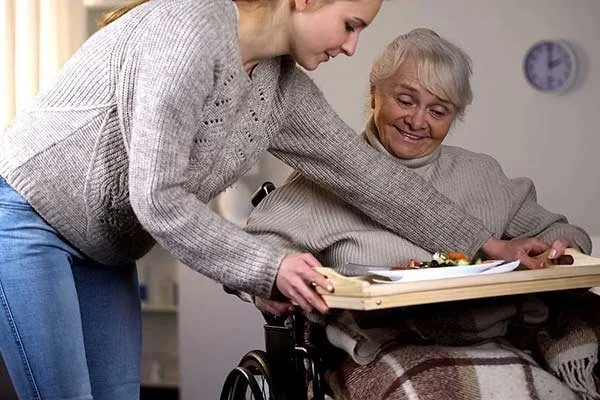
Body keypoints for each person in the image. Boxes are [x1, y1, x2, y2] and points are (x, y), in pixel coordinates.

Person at [0, 0, 551, 398]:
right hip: (27, 218)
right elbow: (158, 197)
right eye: (350, 24)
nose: (352, 45)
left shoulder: (278, 84)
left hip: (106, 250)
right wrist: (270, 267)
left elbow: (372, 178)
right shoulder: (187, 29)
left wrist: (487, 244)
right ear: (306, 1)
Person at [245, 28, 595, 398]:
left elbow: (561, 232)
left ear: (455, 116)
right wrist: (272, 284)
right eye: (406, 100)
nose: (417, 121)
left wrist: (559, 247)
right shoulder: (321, 180)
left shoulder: (482, 175)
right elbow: (256, 252)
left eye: (438, 110)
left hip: (486, 338)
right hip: (375, 349)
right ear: (374, 93)